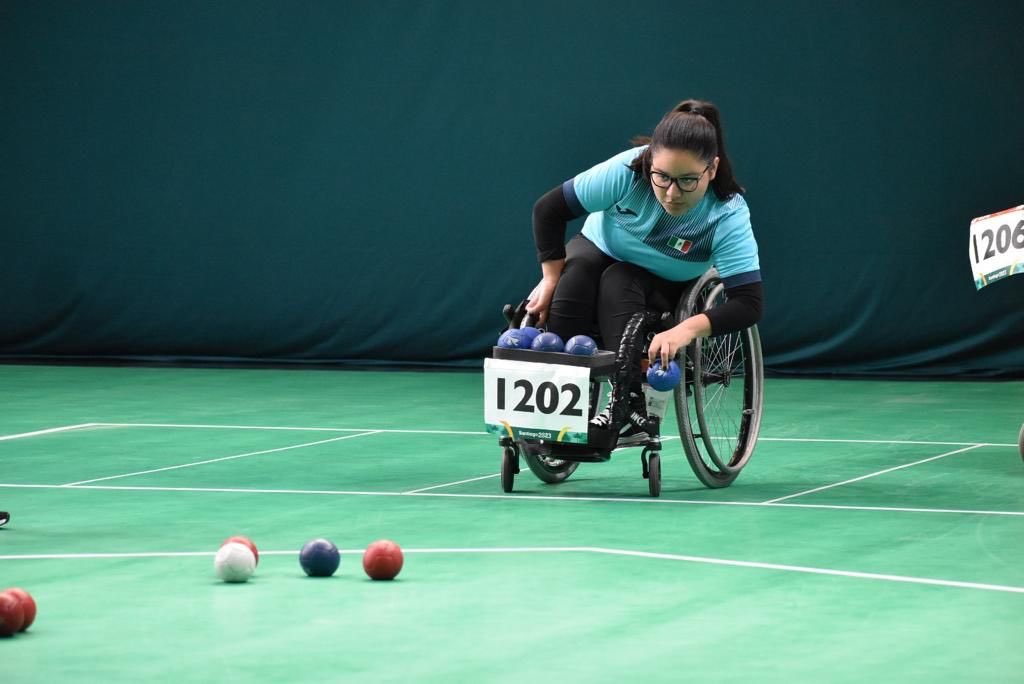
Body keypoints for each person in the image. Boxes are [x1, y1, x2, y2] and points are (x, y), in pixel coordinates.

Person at [526, 99, 763, 444]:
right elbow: (547, 210)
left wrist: (685, 330)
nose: (670, 193)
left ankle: (628, 406)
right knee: (572, 279)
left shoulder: (727, 214)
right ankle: (553, 417)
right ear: (651, 160)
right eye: (662, 177)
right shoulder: (626, 171)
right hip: (599, 246)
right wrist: (550, 278)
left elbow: (749, 303)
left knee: (619, 281)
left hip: (665, 278)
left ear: (711, 170)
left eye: (686, 181)